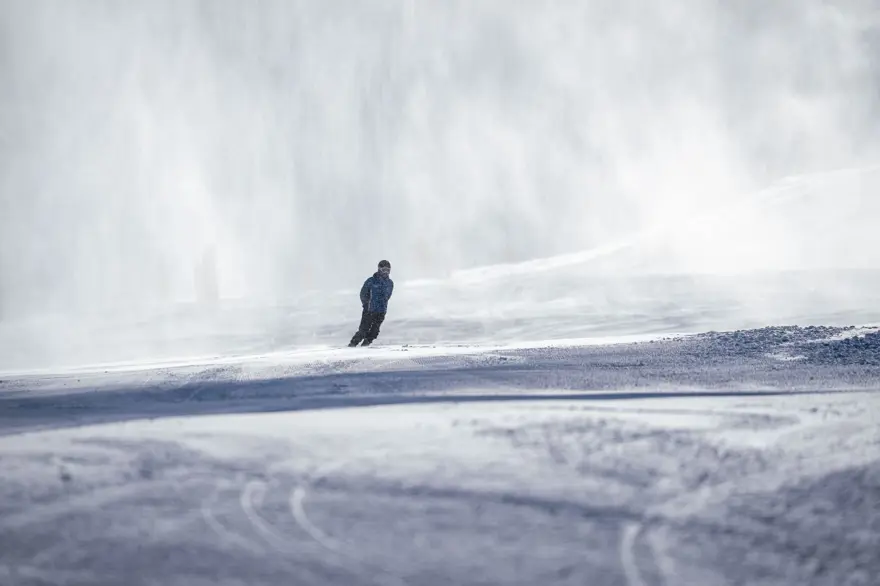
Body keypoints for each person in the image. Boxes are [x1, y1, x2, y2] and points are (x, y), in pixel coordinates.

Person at [349, 260, 394, 347]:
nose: (386, 272)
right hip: (370, 310)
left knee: (375, 331)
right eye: (384, 270)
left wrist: (383, 304)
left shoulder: (390, 283)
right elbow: (363, 293)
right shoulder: (371, 281)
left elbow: (388, 295)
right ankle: (352, 344)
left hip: (381, 311)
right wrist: (366, 304)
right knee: (363, 330)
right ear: (379, 269)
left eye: (388, 270)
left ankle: (365, 344)